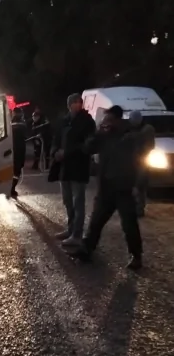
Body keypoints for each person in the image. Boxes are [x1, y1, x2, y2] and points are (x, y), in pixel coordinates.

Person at [71, 105, 143, 270]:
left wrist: (137, 185)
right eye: (106, 119)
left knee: (129, 223)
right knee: (96, 221)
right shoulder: (104, 135)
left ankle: (136, 255)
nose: (107, 122)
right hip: (106, 187)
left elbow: (136, 158)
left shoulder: (129, 135)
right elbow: (87, 148)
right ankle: (87, 249)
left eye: (110, 119)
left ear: (117, 120)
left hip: (124, 187)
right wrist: (99, 132)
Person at [51, 93, 96, 246]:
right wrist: (55, 152)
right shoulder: (64, 121)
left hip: (78, 167)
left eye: (79, 102)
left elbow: (88, 145)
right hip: (64, 167)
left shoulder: (87, 121)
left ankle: (77, 234)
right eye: (74, 102)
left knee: (78, 202)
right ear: (69, 105)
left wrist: (67, 152)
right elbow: (56, 139)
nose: (77, 104)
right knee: (68, 201)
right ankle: (70, 229)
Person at [128, 110, 155, 217]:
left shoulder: (147, 130)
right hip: (135, 161)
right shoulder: (133, 129)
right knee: (136, 186)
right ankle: (136, 208)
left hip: (142, 161)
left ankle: (139, 209)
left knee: (140, 185)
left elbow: (148, 146)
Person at [11, 111, 28, 198]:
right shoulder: (22, 125)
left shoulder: (10, 123)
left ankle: (10, 187)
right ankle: (12, 188)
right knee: (17, 171)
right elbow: (26, 136)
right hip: (20, 150)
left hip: (10, 150)